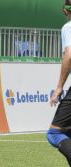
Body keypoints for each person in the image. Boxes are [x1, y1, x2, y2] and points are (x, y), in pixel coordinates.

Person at [47, 1, 71, 166]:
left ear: (65, 10)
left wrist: (59, 87)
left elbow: (69, 56)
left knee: (54, 133)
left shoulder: (68, 27)